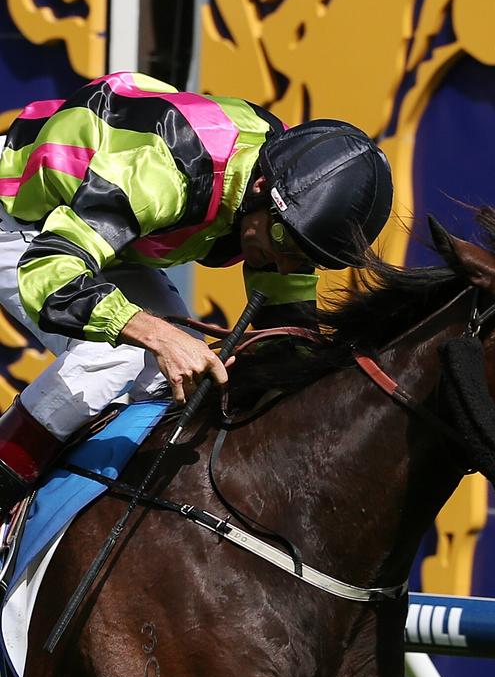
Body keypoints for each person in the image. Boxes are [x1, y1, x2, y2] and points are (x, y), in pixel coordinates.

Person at [0, 71, 393, 510]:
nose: (284, 266)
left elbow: (288, 339)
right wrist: (157, 334)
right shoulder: (165, 174)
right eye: (284, 245)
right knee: (123, 353)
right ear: (260, 188)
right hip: (25, 217)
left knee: (173, 378)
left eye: (306, 259)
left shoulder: (288, 210)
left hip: (106, 230)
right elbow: (50, 273)